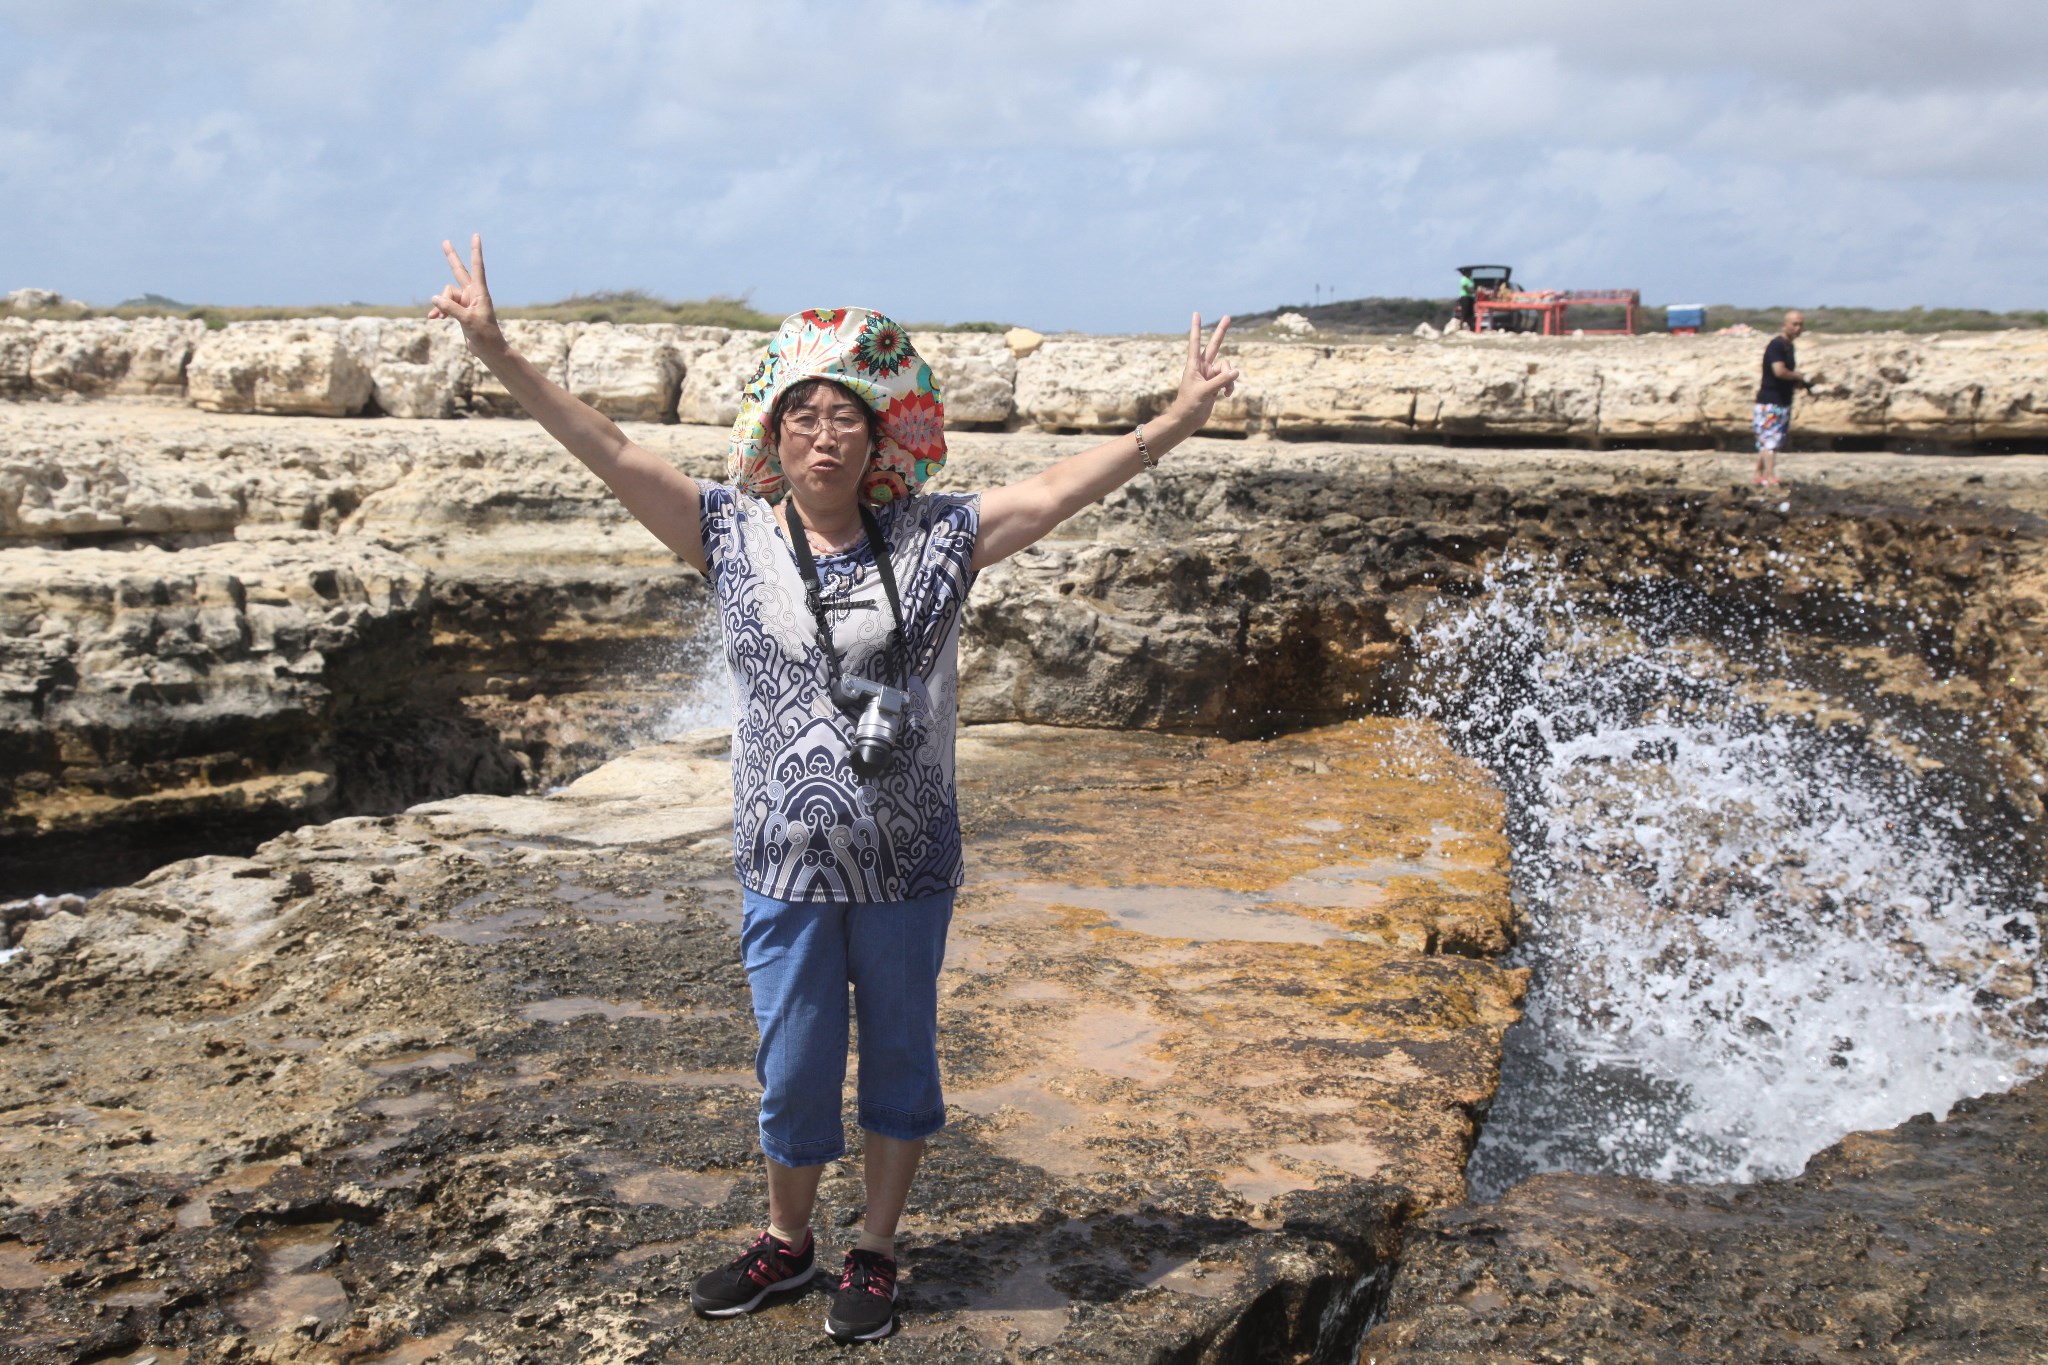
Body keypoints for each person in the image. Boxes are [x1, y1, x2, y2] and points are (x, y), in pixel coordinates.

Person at [427, 235, 1239, 1343]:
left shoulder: (937, 538)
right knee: (794, 1061)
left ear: (880, 435)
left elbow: (1054, 491)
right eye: (802, 416)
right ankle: (787, 1241)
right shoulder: (729, 532)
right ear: (775, 433)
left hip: (907, 860)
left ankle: (876, 1248)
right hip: (783, 861)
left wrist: (1175, 419)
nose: (822, 434)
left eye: (844, 416)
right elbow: (610, 450)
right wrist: (498, 350)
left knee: (899, 1055)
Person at [1754, 310, 1814, 487]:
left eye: (1801, 324)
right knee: (1770, 441)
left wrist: (1799, 384)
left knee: (1770, 441)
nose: (1798, 328)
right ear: (1785, 325)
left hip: (1782, 400)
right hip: (1769, 402)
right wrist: (1798, 376)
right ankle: (1771, 477)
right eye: (1794, 324)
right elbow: (1779, 371)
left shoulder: (1789, 346)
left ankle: (1758, 474)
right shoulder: (1777, 345)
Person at [1454, 268, 1477, 332]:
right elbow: (1465, 288)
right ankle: (1461, 326)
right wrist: (1473, 291)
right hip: (1464, 297)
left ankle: (1472, 327)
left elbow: (1473, 287)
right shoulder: (1463, 279)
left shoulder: (1471, 279)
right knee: (1464, 312)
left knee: (1471, 313)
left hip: (1470, 297)